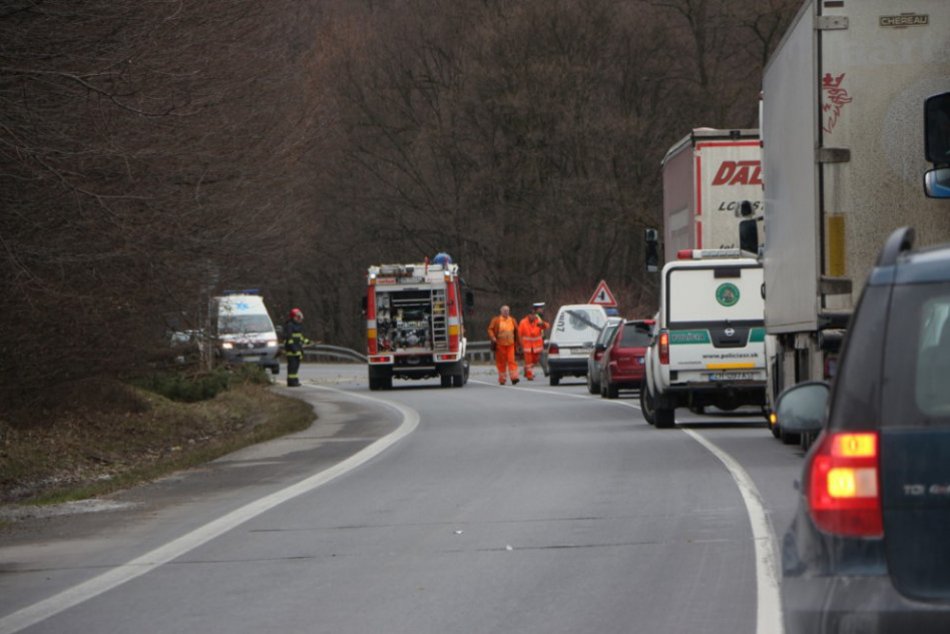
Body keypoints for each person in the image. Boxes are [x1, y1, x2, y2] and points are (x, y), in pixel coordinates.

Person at [487, 305, 521, 385]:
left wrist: (518, 344)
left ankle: (514, 378)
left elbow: (517, 332)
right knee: (501, 363)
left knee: (511, 360)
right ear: (501, 311)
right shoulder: (496, 320)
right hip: (500, 345)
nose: (506, 312)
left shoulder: (512, 320)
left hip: (511, 344)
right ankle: (502, 379)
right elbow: (490, 329)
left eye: (507, 310)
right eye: (504, 310)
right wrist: (493, 337)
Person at [518, 306, 549, 380]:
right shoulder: (523, 322)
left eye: (534, 314)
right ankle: (529, 375)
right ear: (528, 315)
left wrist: (543, 324)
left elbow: (547, 326)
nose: (533, 316)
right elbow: (519, 334)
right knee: (528, 362)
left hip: (537, 347)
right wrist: (520, 345)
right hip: (527, 347)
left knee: (534, 361)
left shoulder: (538, 320)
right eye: (532, 315)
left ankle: (526, 370)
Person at [283, 308, 310, 387]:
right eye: (297, 317)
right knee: (292, 366)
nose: (299, 318)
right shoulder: (289, 326)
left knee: (296, 367)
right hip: (291, 351)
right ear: (293, 317)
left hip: (297, 349)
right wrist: (294, 349)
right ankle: (291, 382)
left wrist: (308, 341)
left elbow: (300, 337)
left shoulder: (297, 326)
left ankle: (295, 381)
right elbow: (289, 339)